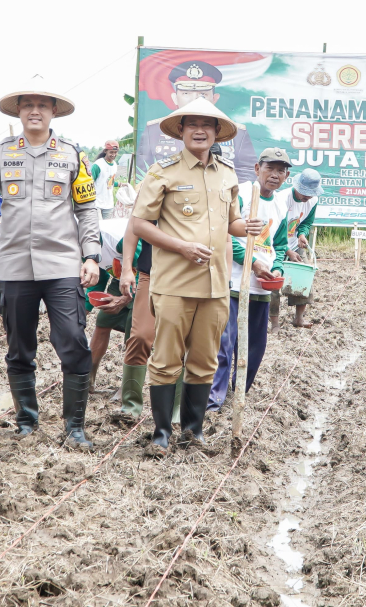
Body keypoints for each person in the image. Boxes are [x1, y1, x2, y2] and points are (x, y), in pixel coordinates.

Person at [0, 78, 101, 449]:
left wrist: (90, 255)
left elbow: (87, 209)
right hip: (14, 266)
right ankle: (27, 422)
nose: (34, 110)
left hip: (62, 264)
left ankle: (75, 427)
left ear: (54, 112)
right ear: (18, 111)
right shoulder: (0, 153)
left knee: (74, 342)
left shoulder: (72, 155)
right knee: (19, 347)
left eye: (42, 105)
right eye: (27, 104)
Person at [129, 99, 259, 454]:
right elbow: (140, 224)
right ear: (182, 131)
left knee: (204, 360)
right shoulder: (163, 172)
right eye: (192, 125)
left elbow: (232, 221)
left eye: (207, 125)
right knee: (166, 359)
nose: (200, 130)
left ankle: (193, 431)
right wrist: (181, 247)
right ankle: (160, 432)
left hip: (217, 285)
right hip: (173, 283)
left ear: (217, 133)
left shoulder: (228, 174)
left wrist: (245, 226)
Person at [208, 147, 292, 412]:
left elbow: (279, 245)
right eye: (270, 168)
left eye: (281, 171)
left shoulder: (280, 205)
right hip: (233, 281)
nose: (275, 175)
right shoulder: (241, 194)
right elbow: (227, 236)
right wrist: (251, 262)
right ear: (257, 169)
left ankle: (239, 392)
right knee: (225, 344)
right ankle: (214, 400)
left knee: (256, 347)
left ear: (286, 176)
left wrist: (276, 268)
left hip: (262, 287)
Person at [139, 60, 258, 182]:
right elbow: (142, 175)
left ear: (214, 99)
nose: (195, 99)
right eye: (186, 93)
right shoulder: (153, 130)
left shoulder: (238, 133)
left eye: (202, 94)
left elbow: (247, 176)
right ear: (174, 98)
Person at [109, 215, 156, 425]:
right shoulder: (152, 183)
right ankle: (130, 405)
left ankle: (174, 412)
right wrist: (127, 268)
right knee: (139, 336)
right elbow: (135, 224)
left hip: (186, 273)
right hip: (150, 271)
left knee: (179, 342)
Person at [86, 216, 133, 393]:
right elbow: (99, 276)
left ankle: (128, 388)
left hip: (145, 278)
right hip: (120, 278)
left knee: (133, 331)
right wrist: (84, 310)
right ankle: (88, 380)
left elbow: (147, 266)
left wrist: (125, 299)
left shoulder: (117, 238)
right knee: (103, 322)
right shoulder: (85, 245)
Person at [271, 167, 321, 331]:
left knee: (305, 278)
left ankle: (299, 318)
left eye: (311, 193)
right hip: (275, 245)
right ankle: (274, 322)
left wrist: (302, 234)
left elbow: (306, 222)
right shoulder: (281, 199)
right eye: (305, 193)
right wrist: (287, 251)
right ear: (297, 187)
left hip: (295, 245)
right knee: (273, 282)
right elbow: (273, 229)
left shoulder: (312, 201)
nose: (308, 197)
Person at [91, 140, 120, 219]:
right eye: (111, 152)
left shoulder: (114, 165)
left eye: (115, 152)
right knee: (98, 227)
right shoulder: (98, 165)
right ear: (105, 151)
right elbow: (90, 182)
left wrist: (120, 184)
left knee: (107, 229)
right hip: (96, 203)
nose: (113, 155)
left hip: (109, 204)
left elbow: (109, 182)